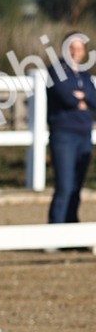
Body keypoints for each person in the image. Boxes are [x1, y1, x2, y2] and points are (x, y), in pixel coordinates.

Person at [47, 32, 96, 224]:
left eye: (79, 48)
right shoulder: (56, 71)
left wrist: (82, 96)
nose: (76, 52)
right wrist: (81, 99)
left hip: (84, 134)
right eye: (72, 48)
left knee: (77, 187)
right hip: (64, 135)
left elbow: (93, 98)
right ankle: (56, 228)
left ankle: (72, 226)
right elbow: (66, 96)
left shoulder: (85, 74)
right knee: (64, 186)